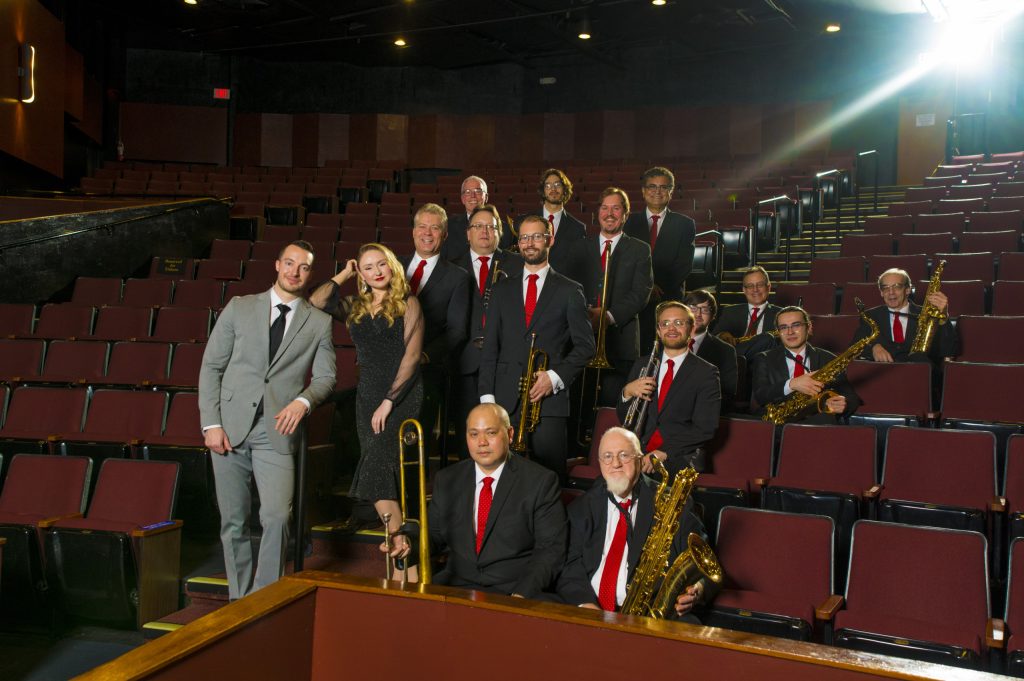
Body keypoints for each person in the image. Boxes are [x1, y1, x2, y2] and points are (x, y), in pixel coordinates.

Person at [199, 240, 336, 600]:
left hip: (276, 431)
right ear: (277, 265)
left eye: (303, 267)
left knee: (276, 516)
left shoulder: (318, 323)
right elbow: (211, 366)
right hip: (228, 428)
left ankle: (263, 600)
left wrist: (303, 402)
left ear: (309, 273)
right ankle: (238, 600)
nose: (294, 271)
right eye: (289, 263)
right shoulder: (239, 307)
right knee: (233, 522)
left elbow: (325, 378)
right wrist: (210, 424)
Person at [388, 403, 567, 598]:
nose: (481, 442)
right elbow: (434, 535)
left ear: (510, 434)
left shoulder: (540, 481)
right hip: (456, 585)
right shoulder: (447, 478)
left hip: (512, 590)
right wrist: (408, 544)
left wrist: (521, 595)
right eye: (473, 434)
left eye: (490, 433)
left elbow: (550, 551)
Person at [310, 243, 424, 546]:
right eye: (368, 267)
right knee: (377, 468)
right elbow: (317, 302)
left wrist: (389, 401)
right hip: (367, 394)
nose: (376, 272)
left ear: (392, 267)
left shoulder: (407, 303)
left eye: (381, 264)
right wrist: (345, 273)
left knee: (376, 465)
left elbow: (412, 358)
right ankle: (399, 540)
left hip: (401, 393)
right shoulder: (355, 305)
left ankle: (398, 537)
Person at [479, 215, 596, 483]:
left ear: (550, 240)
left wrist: (554, 378)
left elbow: (585, 347)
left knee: (550, 476)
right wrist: (487, 399)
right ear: (518, 243)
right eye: (524, 238)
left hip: (549, 403)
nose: (530, 243)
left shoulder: (570, 290)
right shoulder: (500, 290)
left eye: (537, 237)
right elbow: (490, 349)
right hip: (503, 400)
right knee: (501, 477)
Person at [556, 427, 713, 622]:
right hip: (591, 611)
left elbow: (705, 563)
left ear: (640, 460)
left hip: (651, 616)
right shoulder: (581, 508)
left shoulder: (674, 502)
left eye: (624, 455)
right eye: (607, 456)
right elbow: (569, 567)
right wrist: (585, 605)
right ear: (599, 463)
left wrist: (698, 590)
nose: (615, 464)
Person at [569, 187, 653, 407]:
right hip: (581, 337)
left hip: (621, 341)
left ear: (625, 214)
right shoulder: (578, 248)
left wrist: (607, 317)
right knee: (580, 402)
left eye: (616, 208)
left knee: (612, 403)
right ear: (598, 212)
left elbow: (641, 293)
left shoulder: (640, 250)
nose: (609, 213)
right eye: (605, 208)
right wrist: (586, 314)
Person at [401, 203, 473, 458]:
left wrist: (423, 357)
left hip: (426, 372)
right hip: (386, 368)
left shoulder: (458, 277)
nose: (427, 233)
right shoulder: (392, 267)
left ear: (444, 234)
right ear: (413, 232)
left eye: (435, 228)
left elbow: (456, 331)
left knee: (411, 446)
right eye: (422, 226)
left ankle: (408, 496)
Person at [452, 204, 524, 459]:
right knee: (468, 435)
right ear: (468, 233)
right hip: (465, 362)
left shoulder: (518, 265)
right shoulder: (452, 267)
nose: (484, 232)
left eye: (490, 227)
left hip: (505, 362)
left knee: (503, 435)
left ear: (499, 233)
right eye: (478, 226)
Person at [618, 301, 720, 475]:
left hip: (680, 456)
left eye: (678, 323)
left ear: (692, 329)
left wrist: (663, 452)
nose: (671, 329)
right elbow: (625, 419)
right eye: (665, 324)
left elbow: (705, 428)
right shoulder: (642, 365)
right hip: (638, 450)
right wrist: (627, 392)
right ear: (659, 331)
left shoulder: (707, 373)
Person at [623, 167, 697, 351]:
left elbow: (683, 264)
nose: (657, 191)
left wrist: (657, 286)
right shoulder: (628, 222)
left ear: (671, 191)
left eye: (664, 187)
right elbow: (624, 260)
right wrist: (647, 286)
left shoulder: (685, 224)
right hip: (634, 298)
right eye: (652, 186)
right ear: (643, 190)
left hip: (667, 297)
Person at [753, 306, 860, 424]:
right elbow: (760, 395)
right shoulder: (764, 358)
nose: (790, 332)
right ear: (778, 332)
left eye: (796, 325)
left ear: (809, 327)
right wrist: (792, 384)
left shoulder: (829, 359)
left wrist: (844, 402)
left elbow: (851, 397)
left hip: (816, 423)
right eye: (783, 327)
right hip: (776, 424)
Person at [851, 267, 959, 364]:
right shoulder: (870, 316)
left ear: (907, 290)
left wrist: (943, 318)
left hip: (918, 378)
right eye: (885, 288)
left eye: (897, 286)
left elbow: (949, 350)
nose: (891, 292)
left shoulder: (928, 314)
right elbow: (854, 347)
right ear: (881, 292)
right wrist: (874, 347)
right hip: (883, 377)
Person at [513, 168, 587, 275]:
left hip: (561, 288)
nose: (553, 189)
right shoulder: (522, 222)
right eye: (548, 186)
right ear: (543, 191)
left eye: (557, 185)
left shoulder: (578, 228)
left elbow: (579, 267)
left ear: (565, 189)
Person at [683, 289, 738, 413]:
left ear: (713, 316)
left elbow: (727, 395)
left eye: (705, 310)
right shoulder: (667, 343)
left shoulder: (726, 351)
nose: (698, 314)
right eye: (693, 308)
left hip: (702, 414)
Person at [710, 265, 780, 360]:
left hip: (765, 364)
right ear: (744, 290)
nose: (755, 289)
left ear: (768, 287)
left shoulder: (782, 314)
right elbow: (713, 338)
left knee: (768, 339)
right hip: (736, 365)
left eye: (760, 285)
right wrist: (722, 334)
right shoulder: (730, 312)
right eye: (750, 286)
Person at [441, 176, 514, 261]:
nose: (473, 196)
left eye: (478, 191)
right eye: (468, 192)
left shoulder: (505, 229)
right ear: (462, 199)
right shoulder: (448, 226)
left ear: (486, 197)